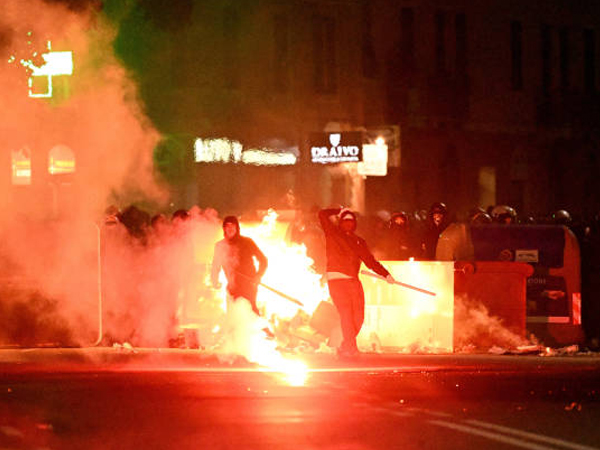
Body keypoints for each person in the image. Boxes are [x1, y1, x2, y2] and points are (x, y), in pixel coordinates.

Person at [319, 207, 394, 357]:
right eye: (345, 220)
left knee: (358, 317)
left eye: (351, 220)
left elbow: (370, 261)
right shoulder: (332, 233)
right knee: (346, 313)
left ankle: (346, 346)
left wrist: (386, 274)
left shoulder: (359, 241)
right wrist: (339, 209)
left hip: (353, 281)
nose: (348, 223)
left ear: (355, 223)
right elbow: (322, 214)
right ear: (340, 222)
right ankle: (351, 348)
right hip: (336, 280)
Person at [211, 216, 268, 315]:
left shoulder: (247, 242)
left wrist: (258, 276)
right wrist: (214, 280)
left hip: (249, 285)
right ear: (224, 228)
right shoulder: (220, 246)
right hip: (233, 287)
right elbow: (216, 266)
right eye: (227, 226)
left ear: (237, 228)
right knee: (233, 315)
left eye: (233, 226)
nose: (230, 228)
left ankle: (259, 329)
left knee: (251, 313)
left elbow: (263, 260)